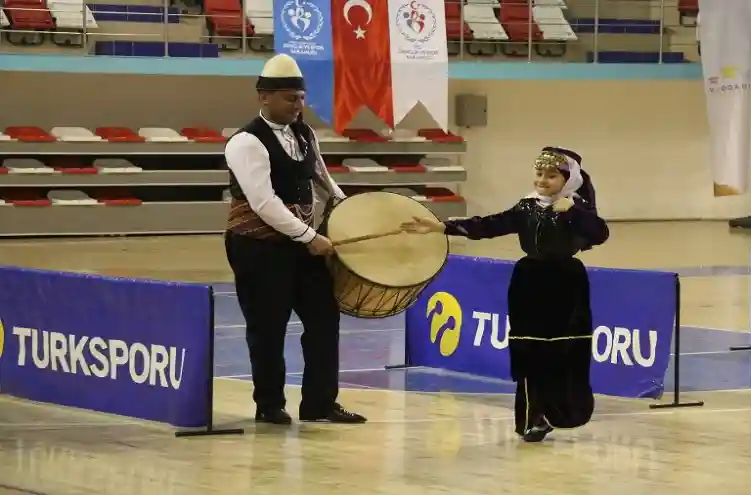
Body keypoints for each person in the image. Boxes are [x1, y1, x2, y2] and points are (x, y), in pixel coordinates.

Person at [401, 147, 609, 442]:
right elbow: (491, 224)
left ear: (568, 179)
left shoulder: (577, 208)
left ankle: (559, 411)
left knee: (563, 349)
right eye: (540, 174)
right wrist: (441, 227)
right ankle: (531, 418)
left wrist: (573, 212)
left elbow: (600, 234)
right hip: (529, 281)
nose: (543, 180)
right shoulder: (527, 206)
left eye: (551, 175)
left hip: (566, 284)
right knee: (528, 350)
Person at [224, 53, 366, 425]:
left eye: (301, 97)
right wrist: (309, 236)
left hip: (302, 244)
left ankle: (320, 403)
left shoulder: (305, 133)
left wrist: (351, 212)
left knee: (323, 318)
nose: (298, 105)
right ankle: (269, 405)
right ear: (263, 97)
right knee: (268, 326)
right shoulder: (245, 142)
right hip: (258, 248)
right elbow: (263, 202)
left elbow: (323, 180)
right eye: (290, 98)